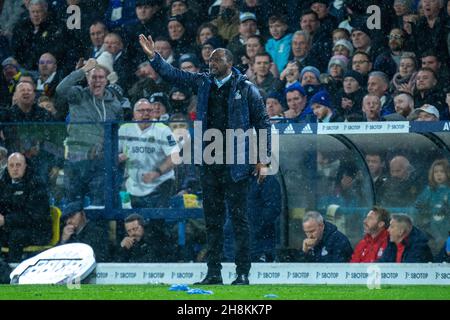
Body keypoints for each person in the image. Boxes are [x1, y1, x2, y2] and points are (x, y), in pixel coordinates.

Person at [139, 33, 271, 285]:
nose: (211, 63)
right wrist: (153, 58)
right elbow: (173, 75)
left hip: (237, 165)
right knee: (212, 221)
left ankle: (242, 272)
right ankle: (213, 273)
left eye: (217, 59)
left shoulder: (246, 88)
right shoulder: (203, 82)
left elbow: (263, 124)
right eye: (210, 59)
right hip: (209, 164)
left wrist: (263, 160)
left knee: (240, 219)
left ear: (229, 63)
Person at [56, 58, 124, 206]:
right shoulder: (77, 95)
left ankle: (96, 229)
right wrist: (81, 71)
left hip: (101, 163)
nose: (97, 81)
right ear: (87, 79)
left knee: (99, 206)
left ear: (107, 81)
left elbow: (116, 133)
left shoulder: (115, 105)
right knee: (72, 206)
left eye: (101, 77)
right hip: (76, 160)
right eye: (93, 77)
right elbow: (60, 90)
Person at [0, 152, 51, 262]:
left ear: (25, 166)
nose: (15, 169)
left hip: (38, 230)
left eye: (18, 165)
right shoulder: (3, 184)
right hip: (12, 227)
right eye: (11, 165)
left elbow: (35, 216)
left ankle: (13, 271)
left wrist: (6, 220)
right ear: (7, 167)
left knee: (16, 236)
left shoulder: (36, 184)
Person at [414, 159, 450, 253]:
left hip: (446, 228)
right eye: (436, 172)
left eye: (442, 171)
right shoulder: (429, 190)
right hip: (431, 229)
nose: (438, 174)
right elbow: (418, 207)